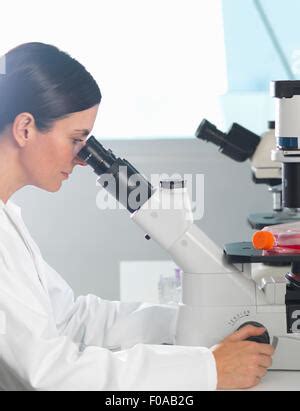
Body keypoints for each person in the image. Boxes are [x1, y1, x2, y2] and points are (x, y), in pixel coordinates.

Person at [0, 42, 274, 391]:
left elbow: (71, 320)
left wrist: (198, 323)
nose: (84, 159)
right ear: (25, 128)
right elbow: (47, 374)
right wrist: (205, 370)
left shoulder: (8, 221)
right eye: (77, 139)